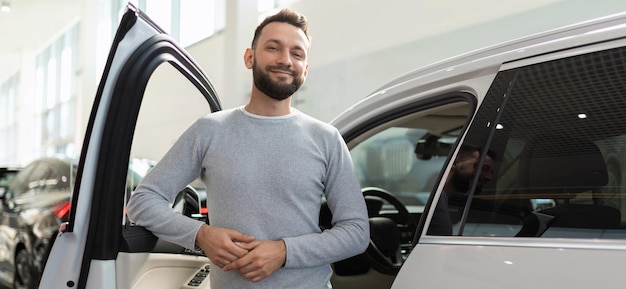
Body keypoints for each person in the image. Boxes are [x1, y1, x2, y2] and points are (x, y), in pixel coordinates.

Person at [126, 8, 369, 289]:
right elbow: (143, 202)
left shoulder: (327, 139)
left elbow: (356, 232)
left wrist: (284, 251)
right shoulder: (209, 130)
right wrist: (201, 235)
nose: (285, 60)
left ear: (306, 69)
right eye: (273, 48)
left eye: (297, 53)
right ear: (249, 57)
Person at [427, 144, 495, 235]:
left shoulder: (440, 200)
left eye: (491, 173)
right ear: (455, 163)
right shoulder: (434, 201)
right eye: (483, 168)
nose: (489, 177)